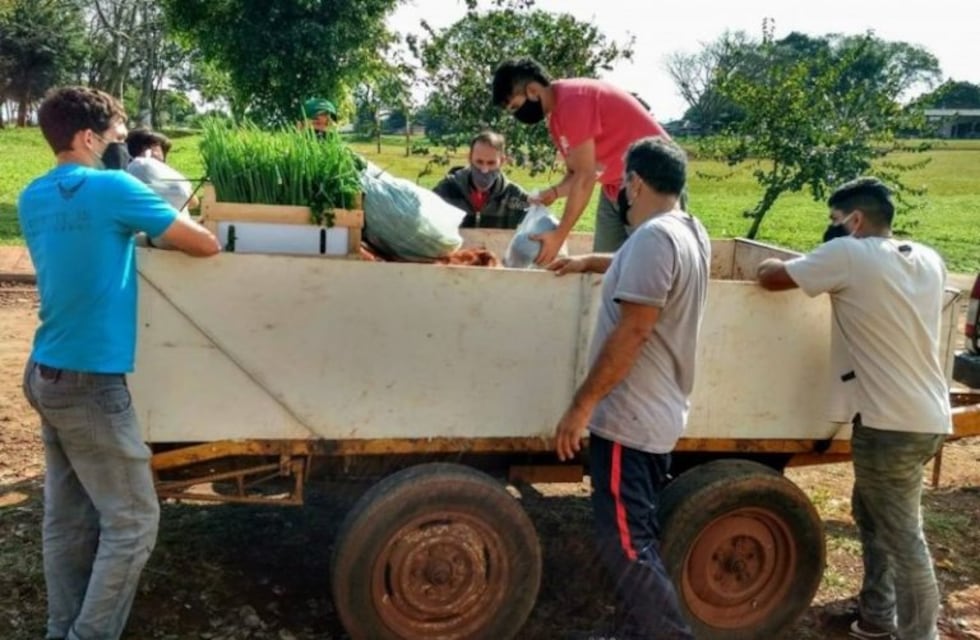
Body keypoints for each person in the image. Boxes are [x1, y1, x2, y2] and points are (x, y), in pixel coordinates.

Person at [18, 86, 221, 640]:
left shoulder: (32, 196)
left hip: (46, 369)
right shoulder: (113, 189)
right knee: (133, 522)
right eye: (113, 138)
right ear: (87, 137)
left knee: (69, 517)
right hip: (89, 382)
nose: (120, 148)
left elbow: (85, 245)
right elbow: (204, 244)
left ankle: (62, 630)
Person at [756, 177, 950, 640]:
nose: (833, 230)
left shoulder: (848, 255)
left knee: (905, 538)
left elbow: (769, 277)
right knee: (871, 513)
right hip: (926, 417)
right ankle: (879, 616)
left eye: (835, 221)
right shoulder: (928, 259)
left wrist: (787, 258)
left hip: (889, 425)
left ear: (856, 220)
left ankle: (920, 634)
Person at [549, 136, 708, 640]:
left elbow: (634, 329)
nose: (620, 193)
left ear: (635, 183)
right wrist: (585, 262)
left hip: (630, 419)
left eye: (622, 184)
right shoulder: (688, 231)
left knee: (627, 543)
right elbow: (633, 271)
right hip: (656, 413)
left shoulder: (653, 238)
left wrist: (581, 407)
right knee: (634, 534)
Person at [492, 58, 670, 263]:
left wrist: (559, 235)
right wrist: (554, 192)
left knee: (647, 267)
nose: (517, 115)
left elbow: (585, 178)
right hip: (615, 186)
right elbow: (577, 172)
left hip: (653, 183)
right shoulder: (556, 116)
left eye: (515, 107)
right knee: (606, 268)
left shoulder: (573, 101)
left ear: (532, 91)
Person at [432, 130, 530, 228]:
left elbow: (537, 222)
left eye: (491, 163)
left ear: (502, 161)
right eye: (479, 162)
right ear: (470, 158)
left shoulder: (514, 195)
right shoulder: (446, 190)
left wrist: (539, 200)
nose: (484, 170)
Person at [125, 128, 200, 248]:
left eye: (158, 147)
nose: (158, 152)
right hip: (171, 235)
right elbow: (193, 202)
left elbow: (193, 201)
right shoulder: (138, 168)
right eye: (155, 146)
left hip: (168, 236)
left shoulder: (162, 172)